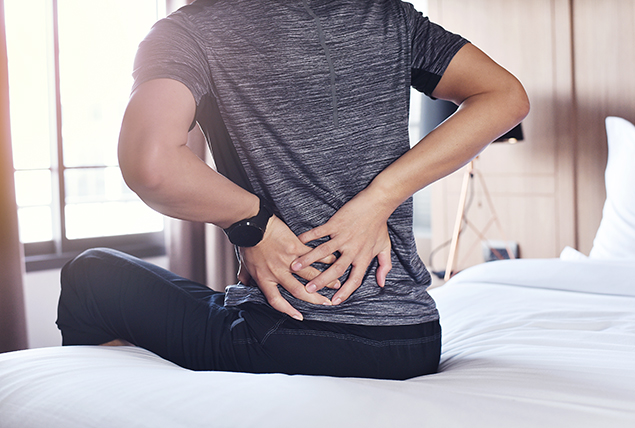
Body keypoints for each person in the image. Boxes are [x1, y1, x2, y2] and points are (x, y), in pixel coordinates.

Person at [56, 0, 529, 380]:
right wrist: (381, 197)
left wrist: (252, 224)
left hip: (290, 335)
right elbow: (506, 96)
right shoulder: (391, 16)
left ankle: (122, 401)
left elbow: (152, 165)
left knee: (90, 275)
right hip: (412, 339)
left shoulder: (188, 32)